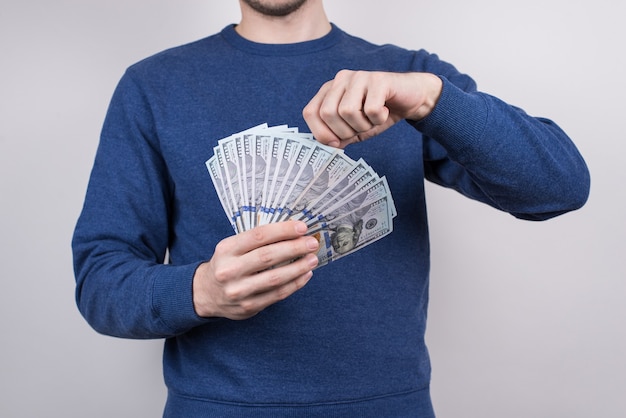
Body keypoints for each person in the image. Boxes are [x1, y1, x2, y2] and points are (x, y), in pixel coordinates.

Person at [72, 1, 590, 416]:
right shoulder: (153, 86)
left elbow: (560, 187)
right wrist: (200, 290)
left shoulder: (407, 76)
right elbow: (100, 280)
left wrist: (432, 100)